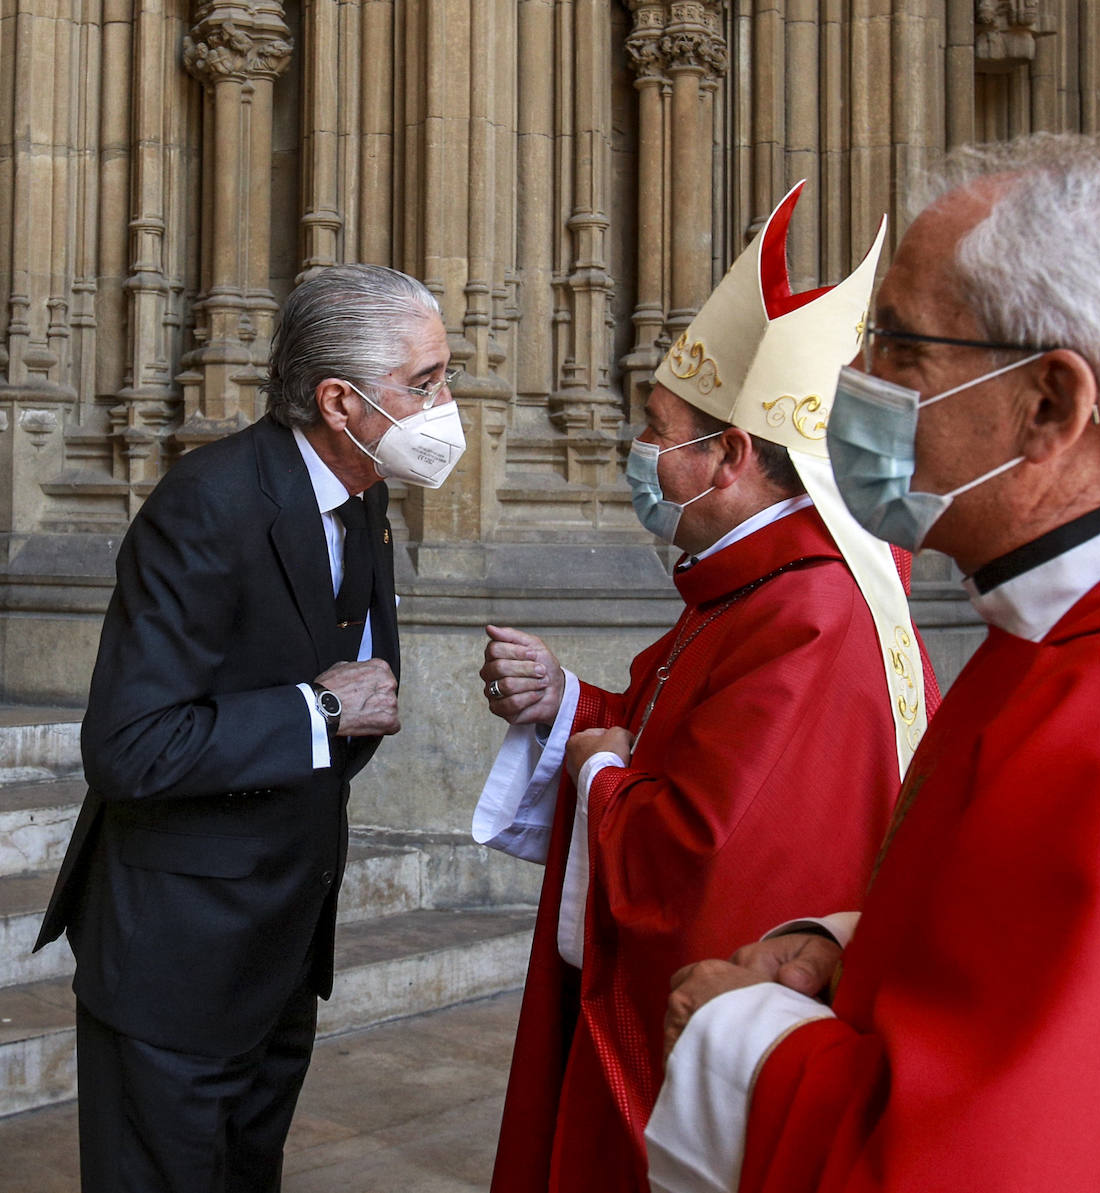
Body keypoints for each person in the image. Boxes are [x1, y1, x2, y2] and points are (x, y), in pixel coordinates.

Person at [646, 134, 1100, 1193]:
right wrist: (858, 945)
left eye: (896, 346)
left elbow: (1020, 1157)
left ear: (1051, 405)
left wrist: (735, 1039)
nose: (850, 382)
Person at [473, 182, 940, 1193]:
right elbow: (672, 739)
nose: (642, 456)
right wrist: (570, 705)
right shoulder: (760, 588)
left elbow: (703, 859)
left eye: (659, 430)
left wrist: (599, 776)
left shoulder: (810, 620)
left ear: (728, 454)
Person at [33, 263, 467, 1192]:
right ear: (340, 401)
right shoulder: (209, 500)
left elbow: (359, 683)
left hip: (279, 940)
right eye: (425, 383)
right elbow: (129, 746)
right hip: (175, 953)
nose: (447, 405)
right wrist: (320, 710)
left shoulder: (370, 496)